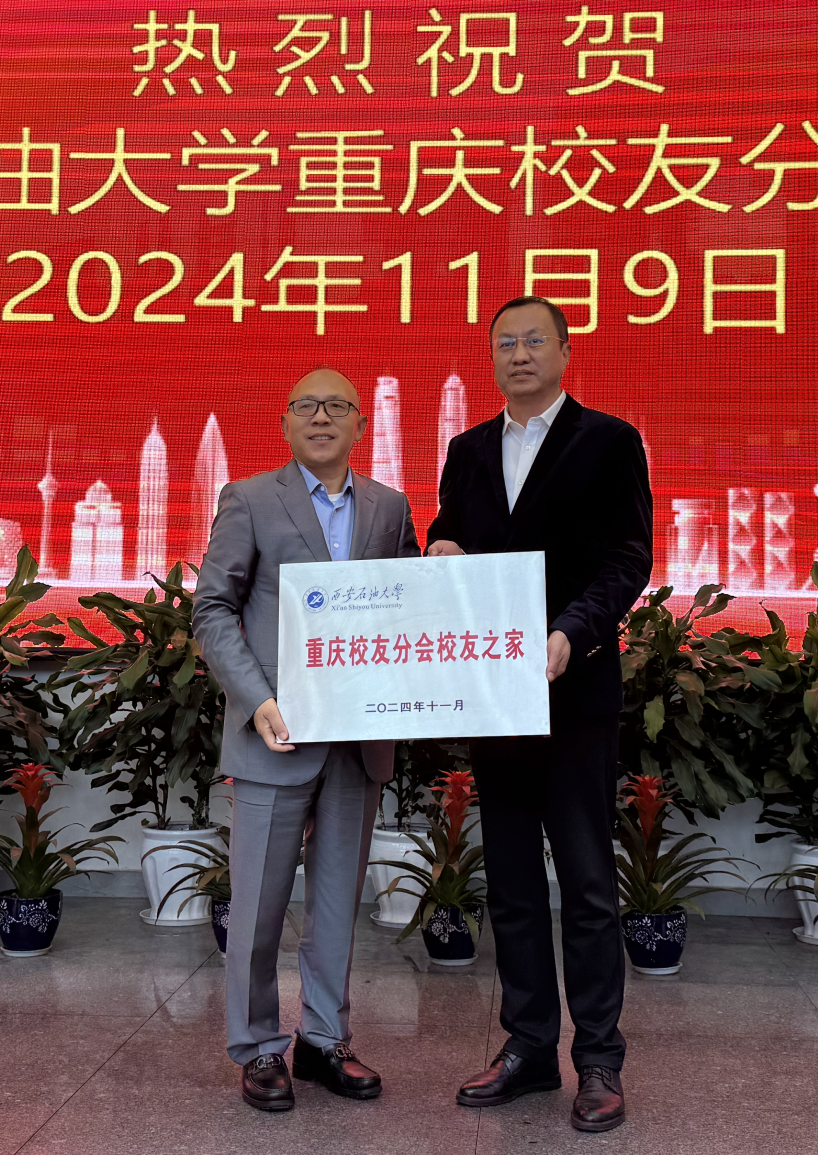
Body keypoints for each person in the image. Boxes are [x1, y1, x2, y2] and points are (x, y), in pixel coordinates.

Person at [427, 296, 654, 1134]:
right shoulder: (467, 449)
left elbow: (628, 558)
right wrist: (440, 546)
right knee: (514, 884)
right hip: (496, 697)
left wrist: (570, 631)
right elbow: (450, 533)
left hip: (575, 690)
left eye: (533, 340)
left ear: (563, 351)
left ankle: (597, 1058)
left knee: (588, 884)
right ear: (492, 357)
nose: (518, 354)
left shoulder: (609, 441)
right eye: (505, 343)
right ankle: (527, 1045)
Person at [193, 368, 422, 1113]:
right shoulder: (250, 498)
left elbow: (413, 605)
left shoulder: (390, 507)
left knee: (335, 904)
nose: (321, 417)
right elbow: (213, 609)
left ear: (360, 423)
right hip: (276, 735)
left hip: (357, 740)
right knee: (258, 906)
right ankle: (258, 1046)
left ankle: (324, 1040)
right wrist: (257, 700)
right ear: (286, 422)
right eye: (305, 406)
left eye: (336, 406)